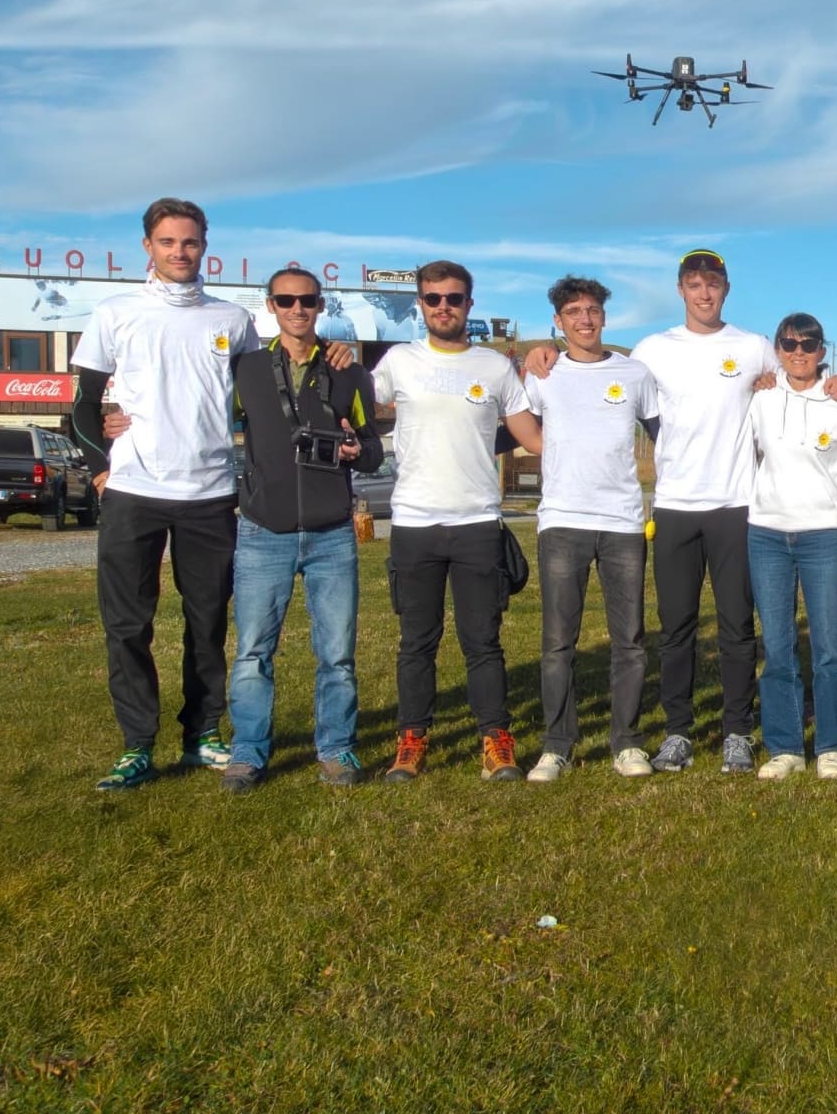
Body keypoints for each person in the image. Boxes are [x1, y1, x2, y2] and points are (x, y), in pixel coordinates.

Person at [525, 249, 837, 774]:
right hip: (675, 505)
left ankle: (737, 731)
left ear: (726, 289)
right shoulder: (652, 352)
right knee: (675, 628)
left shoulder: (752, 348)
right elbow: (598, 369)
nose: (705, 293)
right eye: (695, 285)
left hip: (736, 505)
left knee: (736, 627)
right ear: (680, 289)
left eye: (714, 284)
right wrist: (542, 351)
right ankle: (677, 731)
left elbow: (802, 375)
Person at [73, 198, 262, 791]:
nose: (180, 253)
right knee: (128, 625)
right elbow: (81, 407)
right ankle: (136, 745)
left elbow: (261, 406)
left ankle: (202, 734)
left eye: (191, 242)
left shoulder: (232, 319)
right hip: (133, 492)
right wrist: (102, 468)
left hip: (209, 495)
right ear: (148, 247)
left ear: (205, 246)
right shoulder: (115, 312)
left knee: (206, 621)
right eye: (168, 242)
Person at [374, 261, 543, 784]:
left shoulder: (493, 368)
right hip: (415, 522)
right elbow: (354, 408)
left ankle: (495, 739)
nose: (443, 306)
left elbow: (533, 437)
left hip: (476, 523)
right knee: (416, 641)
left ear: (470, 304)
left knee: (483, 641)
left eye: (453, 298)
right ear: (420, 305)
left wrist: (579, 399)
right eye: (432, 298)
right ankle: (412, 739)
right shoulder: (397, 361)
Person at [219, 268, 383, 793]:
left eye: (307, 300)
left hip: (332, 533)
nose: (298, 309)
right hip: (262, 531)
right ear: (270, 306)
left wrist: (358, 452)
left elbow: (374, 449)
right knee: (252, 653)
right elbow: (202, 420)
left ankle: (335, 750)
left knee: (336, 653)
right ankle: (247, 754)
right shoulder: (242, 369)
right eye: (286, 300)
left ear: (320, 305)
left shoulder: (348, 372)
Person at [522, 275, 660, 782]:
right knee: (559, 641)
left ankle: (626, 742)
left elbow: (663, 436)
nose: (585, 319)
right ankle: (557, 745)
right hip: (562, 521)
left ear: (604, 317)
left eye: (593, 310)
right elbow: (521, 426)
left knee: (630, 640)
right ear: (557, 322)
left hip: (623, 522)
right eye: (574, 312)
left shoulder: (635, 373)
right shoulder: (544, 373)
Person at [746, 312, 837, 780]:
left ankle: (830, 744)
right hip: (767, 534)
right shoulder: (762, 398)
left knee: (829, 643)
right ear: (777, 349)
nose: (798, 353)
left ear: (822, 352)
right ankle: (785, 746)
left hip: (824, 535)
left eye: (808, 345)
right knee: (778, 642)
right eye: (789, 345)